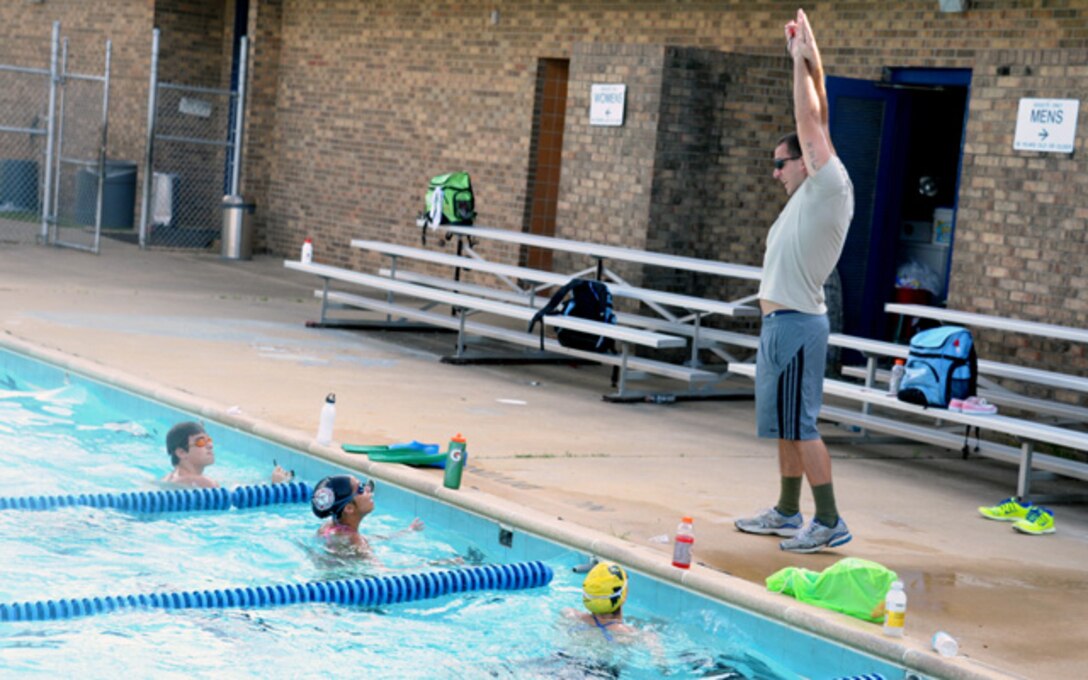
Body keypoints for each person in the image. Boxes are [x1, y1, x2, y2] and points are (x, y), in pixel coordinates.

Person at [734, 9, 855, 554]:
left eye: (779, 163)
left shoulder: (829, 185)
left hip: (799, 325)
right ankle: (787, 511)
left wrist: (796, 65)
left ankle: (828, 519)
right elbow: (820, 107)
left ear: (805, 161)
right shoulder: (810, 192)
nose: (775, 171)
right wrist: (807, 57)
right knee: (785, 424)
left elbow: (810, 118)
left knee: (801, 425)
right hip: (781, 325)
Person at [310, 474, 423, 555]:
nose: (368, 488)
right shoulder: (354, 541)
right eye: (361, 489)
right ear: (349, 508)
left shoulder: (327, 527)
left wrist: (407, 531)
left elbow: (371, 538)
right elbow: (382, 574)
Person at [162, 421, 291, 488]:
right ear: (181, 452)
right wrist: (276, 486)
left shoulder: (169, 478)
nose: (210, 445)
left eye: (209, 440)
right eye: (201, 442)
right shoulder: (203, 482)